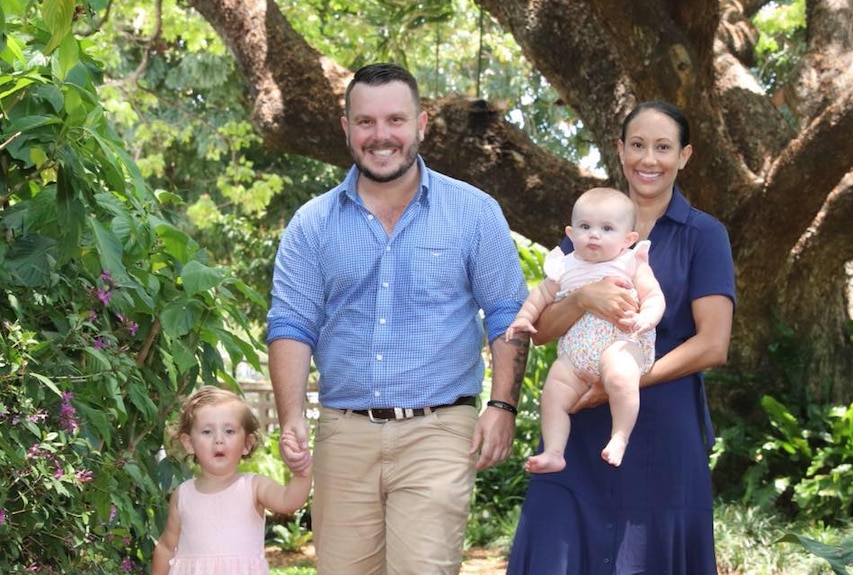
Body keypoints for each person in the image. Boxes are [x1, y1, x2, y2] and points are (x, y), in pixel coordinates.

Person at [266, 62, 529, 575]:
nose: (381, 135)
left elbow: (506, 314)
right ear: (346, 129)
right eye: (365, 122)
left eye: (395, 120)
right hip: (343, 434)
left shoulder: (474, 212)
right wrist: (293, 416)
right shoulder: (311, 224)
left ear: (422, 124)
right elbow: (292, 324)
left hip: (439, 429)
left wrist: (502, 405)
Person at [507, 101, 736, 574]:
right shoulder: (590, 232)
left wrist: (619, 382)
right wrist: (584, 299)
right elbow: (544, 332)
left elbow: (713, 343)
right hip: (577, 433)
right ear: (619, 150)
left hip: (662, 432)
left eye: (663, 147)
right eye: (637, 145)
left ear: (684, 156)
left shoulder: (703, 235)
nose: (648, 159)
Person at [506, 187, 665, 471]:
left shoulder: (630, 262)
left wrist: (647, 317)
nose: (594, 234)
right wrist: (524, 318)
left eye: (606, 228)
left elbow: (653, 296)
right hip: (574, 357)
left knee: (619, 375)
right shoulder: (563, 267)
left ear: (628, 239)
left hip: (621, 342)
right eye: (585, 226)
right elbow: (540, 296)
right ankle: (554, 452)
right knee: (554, 392)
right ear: (570, 233)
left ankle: (619, 436)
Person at [151, 386, 312, 575]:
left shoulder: (253, 487)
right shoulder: (183, 494)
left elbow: (289, 501)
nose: (219, 439)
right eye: (207, 432)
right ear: (189, 443)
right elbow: (166, 547)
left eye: (229, 431)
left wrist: (302, 473)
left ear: (247, 443)